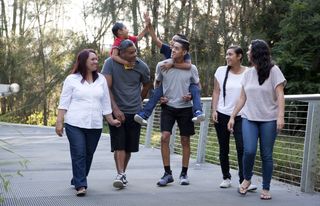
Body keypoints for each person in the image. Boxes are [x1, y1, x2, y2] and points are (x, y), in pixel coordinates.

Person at [55, 49, 121, 196]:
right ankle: (81, 185)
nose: (96, 62)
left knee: (88, 154)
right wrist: (59, 122)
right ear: (83, 61)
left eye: (97, 59)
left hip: (95, 124)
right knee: (79, 153)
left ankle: (78, 178)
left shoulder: (101, 80)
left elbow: (105, 102)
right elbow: (64, 102)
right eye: (92, 59)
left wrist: (110, 119)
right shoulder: (71, 79)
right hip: (74, 123)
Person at [227, 39, 286, 200]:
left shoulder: (274, 71)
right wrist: (232, 116)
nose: (247, 52)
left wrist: (280, 116)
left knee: (266, 154)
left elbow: (280, 94)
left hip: (269, 119)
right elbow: (242, 98)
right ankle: (246, 179)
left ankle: (266, 188)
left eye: (249, 50)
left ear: (257, 53)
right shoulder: (248, 74)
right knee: (249, 150)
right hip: (249, 118)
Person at [133, 16, 205, 126]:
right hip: (168, 84)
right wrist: (149, 25)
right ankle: (144, 114)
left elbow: (188, 66)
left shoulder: (185, 54)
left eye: (175, 41)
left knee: (194, 88)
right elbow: (155, 39)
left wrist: (173, 64)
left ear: (183, 48)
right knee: (156, 92)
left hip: (184, 86)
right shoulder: (168, 50)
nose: (172, 42)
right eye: (172, 40)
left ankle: (198, 112)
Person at [101, 39, 152, 189]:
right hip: (117, 110)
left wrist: (139, 100)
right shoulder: (110, 63)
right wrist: (115, 109)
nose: (134, 54)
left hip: (134, 112)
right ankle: (120, 173)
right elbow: (106, 88)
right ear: (121, 53)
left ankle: (122, 173)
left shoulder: (141, 66)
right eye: (130, 53)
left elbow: (147, 84)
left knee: (128, 147)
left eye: (135, 51)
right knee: (119, 145)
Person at [212, 45, 257, 191]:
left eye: (230, 54)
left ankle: (244, 180)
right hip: (222, 113)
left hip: (242, 115)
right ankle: (226, 177)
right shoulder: (220, 71)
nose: (227, 57)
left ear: (239, 56)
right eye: (226, 54)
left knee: (242, 147)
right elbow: (216, 92)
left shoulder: (249, 72)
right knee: (223, 147)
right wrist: (214, 110)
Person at [156, 39, 199, 186]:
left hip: (185, 108)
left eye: (177, 48)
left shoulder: (191, 68)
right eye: (172, 48)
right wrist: (159, 96)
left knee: (185, 140)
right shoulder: (161, 66)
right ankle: (167, 173)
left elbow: (197, 86)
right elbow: (157, 83)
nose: (173, 50)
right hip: (168, 106)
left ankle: (184, 173)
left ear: (185, 52)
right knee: (164, 137)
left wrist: (192, 96)